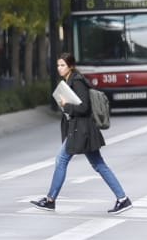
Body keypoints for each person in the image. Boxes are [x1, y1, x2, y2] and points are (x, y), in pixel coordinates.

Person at [31, 53, 132, 214]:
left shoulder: (77, 81)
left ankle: (50, 200)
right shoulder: (68, 81)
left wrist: (66, 106)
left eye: (63, 65)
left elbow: (84, 108)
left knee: (62, 160)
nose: (59, 68)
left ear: (71, 66)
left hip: (82, 130)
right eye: (58, 65)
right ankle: (122, 198)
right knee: (98, 164)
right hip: (79, 130)